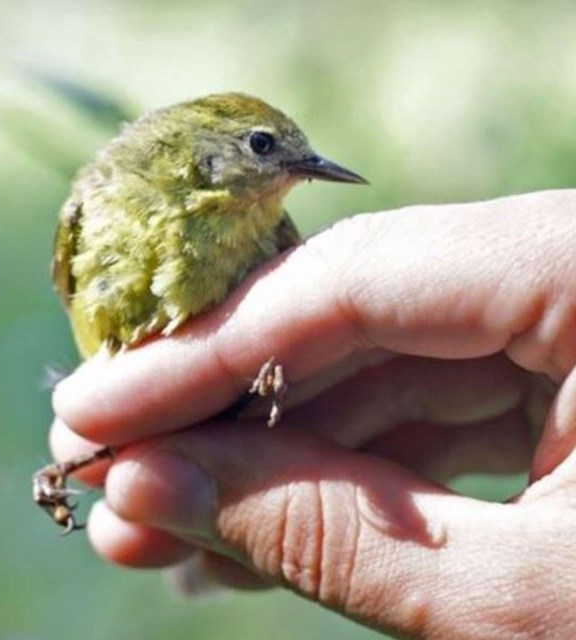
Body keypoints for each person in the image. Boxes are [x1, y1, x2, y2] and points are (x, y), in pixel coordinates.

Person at [49, 189, 575, 639]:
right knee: (126, 443)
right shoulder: (95, 208)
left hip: (236, 405)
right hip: (159, 414)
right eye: (261, 146)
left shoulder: (265, 228)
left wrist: (274, 371)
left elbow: (279, 338)